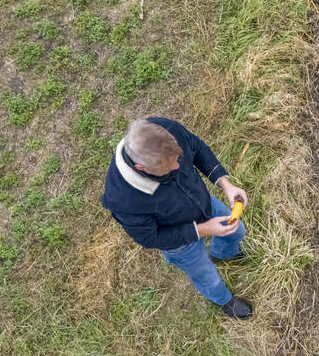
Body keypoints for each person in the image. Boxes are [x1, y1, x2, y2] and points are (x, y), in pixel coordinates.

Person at [101, 117, 253, 318]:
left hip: (203, 204)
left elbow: (197, 148)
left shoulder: (164, 129)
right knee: (206, 274)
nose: (177, 166)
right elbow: (150, 238)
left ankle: (222, 254)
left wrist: (226, 185)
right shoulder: (123, 199)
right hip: (179, 241)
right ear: (141, 168)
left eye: (177, 157)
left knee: (237, 231)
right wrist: (204, 229)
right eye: (167, 166)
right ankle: (224, 301)